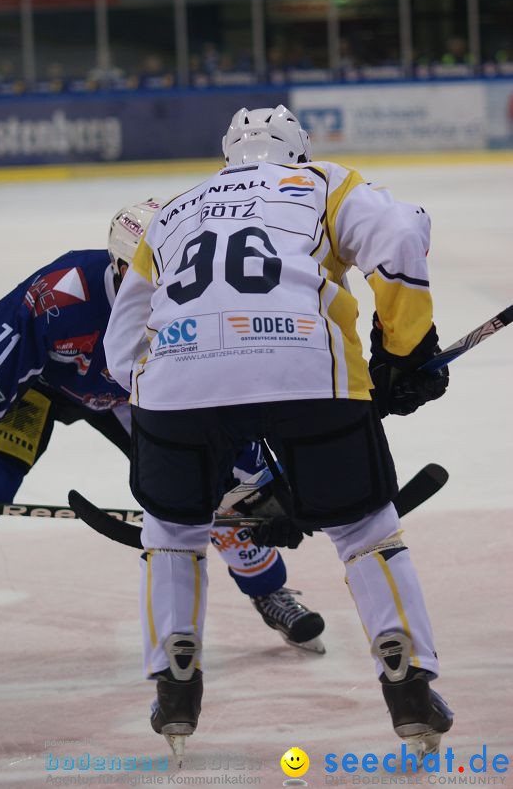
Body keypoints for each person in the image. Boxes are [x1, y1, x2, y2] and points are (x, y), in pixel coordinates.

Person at [103, 105, 452, 762]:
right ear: (299, 147)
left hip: (177, 379)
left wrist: (165, 398)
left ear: (225, 154)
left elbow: (123, 345)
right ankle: (406, 677)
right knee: (363, 528)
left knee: (174, 531)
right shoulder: (324, 181)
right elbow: (403, 235)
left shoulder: (175, 209)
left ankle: (174, 679)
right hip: (304, 367)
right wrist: (405, 352)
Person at [0, 199, 324, 654]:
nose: (157, 282)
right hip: (43, 386)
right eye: (143, 267)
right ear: (117, 262)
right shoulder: (62, 294)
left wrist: (267, 483)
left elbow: (225, 406)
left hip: (136, 394)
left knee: (216, 479)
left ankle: (267, 586)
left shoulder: (204, 305)